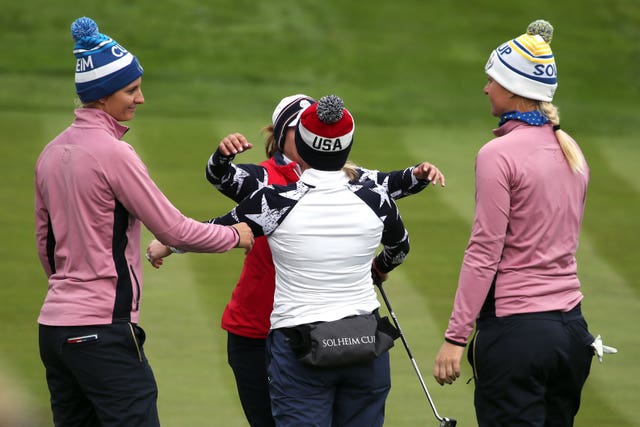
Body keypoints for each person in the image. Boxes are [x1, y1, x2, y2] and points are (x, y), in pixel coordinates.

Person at [34, 17, 253, 427]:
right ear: (101, 96)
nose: (141, 99)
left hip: (54, 330)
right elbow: (173, 229)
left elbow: (46, 245)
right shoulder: (114, 154)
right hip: (102, 330)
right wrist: (236, 236)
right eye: (131, 90)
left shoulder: (50, 153)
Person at [148, 94, 412, 426]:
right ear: (347, 146)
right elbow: (400, 247)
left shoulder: (277, 202)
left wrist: (171, 244)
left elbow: (218, 230)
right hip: (364, 346)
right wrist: (380, 268)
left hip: (301, 349)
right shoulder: (376, 198)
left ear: (301, 142)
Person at [432, 20, 596, 427]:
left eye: (493, 79)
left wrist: (455, 338)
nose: (486, 88)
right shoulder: (570, 147)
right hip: (573, 332)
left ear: (512, 89)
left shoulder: (497, 154)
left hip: (516, 336)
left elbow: (485, 251)